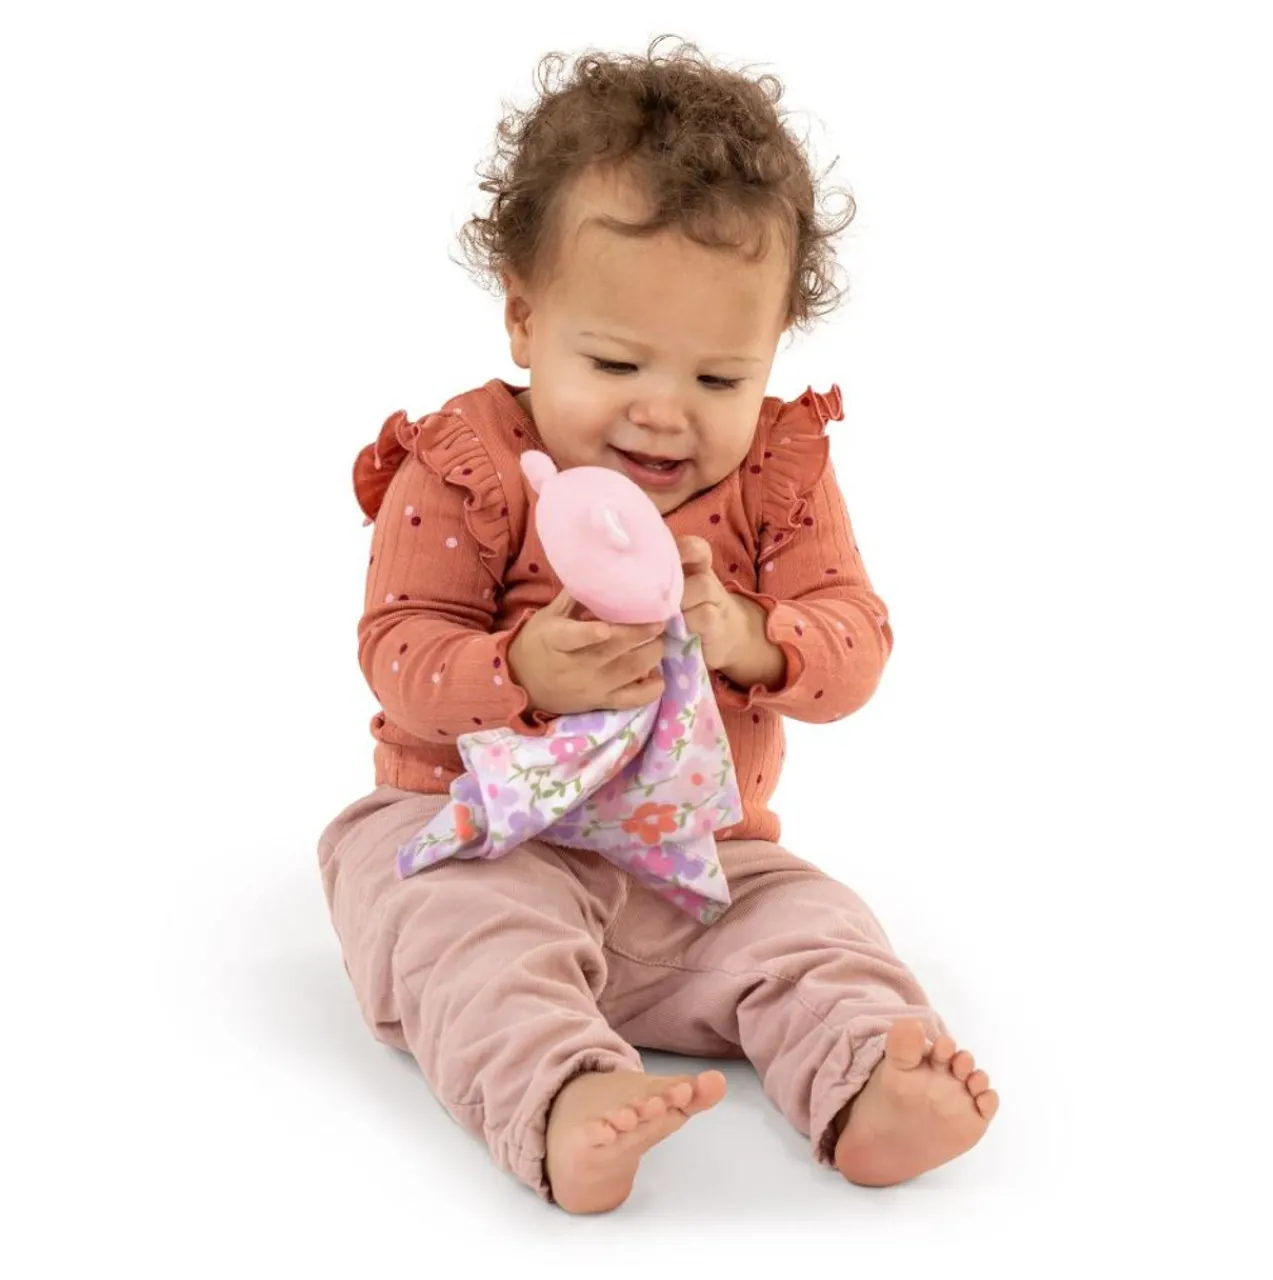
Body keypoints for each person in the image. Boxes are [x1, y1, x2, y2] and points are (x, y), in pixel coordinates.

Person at [318, 36, 998, 1214]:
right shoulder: (470, 462)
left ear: (771, 352)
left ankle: (864, 1076)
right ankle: (562, 1090)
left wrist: (751, 636)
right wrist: (521, 669)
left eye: (718, 379)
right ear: (524, 319)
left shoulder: (776, 476)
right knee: (461, 937)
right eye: (616, 360)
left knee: (813, 924)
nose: (662, 413)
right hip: (474, 831)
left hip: (697, 856)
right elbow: (398, 646)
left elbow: (854, 642)